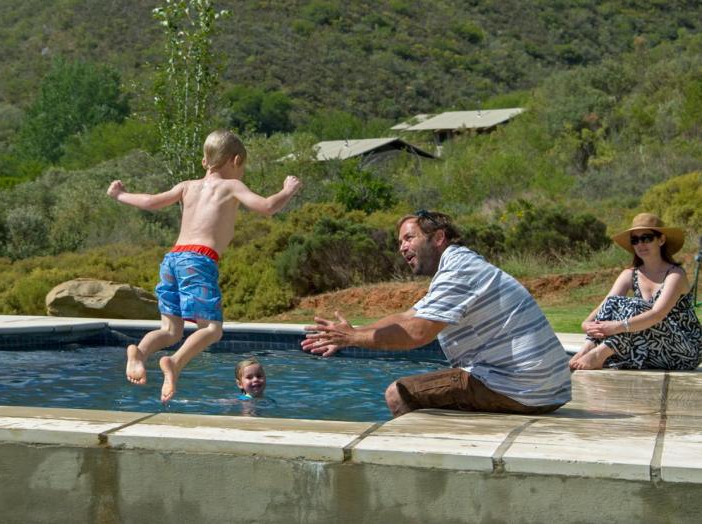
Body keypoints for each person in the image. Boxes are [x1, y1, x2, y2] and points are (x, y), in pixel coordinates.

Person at [301, 210, 571, 417]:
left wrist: (353, 339)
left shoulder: (459, 271)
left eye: (409, 238)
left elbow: (417, 333)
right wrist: (354, 331)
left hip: (522, 389)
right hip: (542, 389)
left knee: (399, 393)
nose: (402, 247)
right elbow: (406, 317)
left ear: (439, 237)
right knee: (443, 384)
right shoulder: (458, 266)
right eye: (399, 242)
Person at [107, 129, 302, 402]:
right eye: (242, 167)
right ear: (236, 161)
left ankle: (139, 353)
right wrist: (288, 190)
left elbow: (151, 202)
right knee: (212, 329)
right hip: (198, 260)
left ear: (204, 161)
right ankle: (174, 363)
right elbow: (268, 206)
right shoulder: (231, 186)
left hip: (172, 259)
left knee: (170, 331)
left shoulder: (187, 186)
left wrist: (120, 195)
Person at [569, 213, 702, 371]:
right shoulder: (630, 274)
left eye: (646, 238)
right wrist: (586, 324)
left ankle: (599, 354)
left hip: (685, 351)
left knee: (636, 308)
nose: (640, 244)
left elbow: (657, 314)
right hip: (653, 349)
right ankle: (587, 349)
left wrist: (617, 326)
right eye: (635, 240)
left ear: (661, 240)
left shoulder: (675, 274)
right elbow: (606, 305)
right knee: (614, 302)